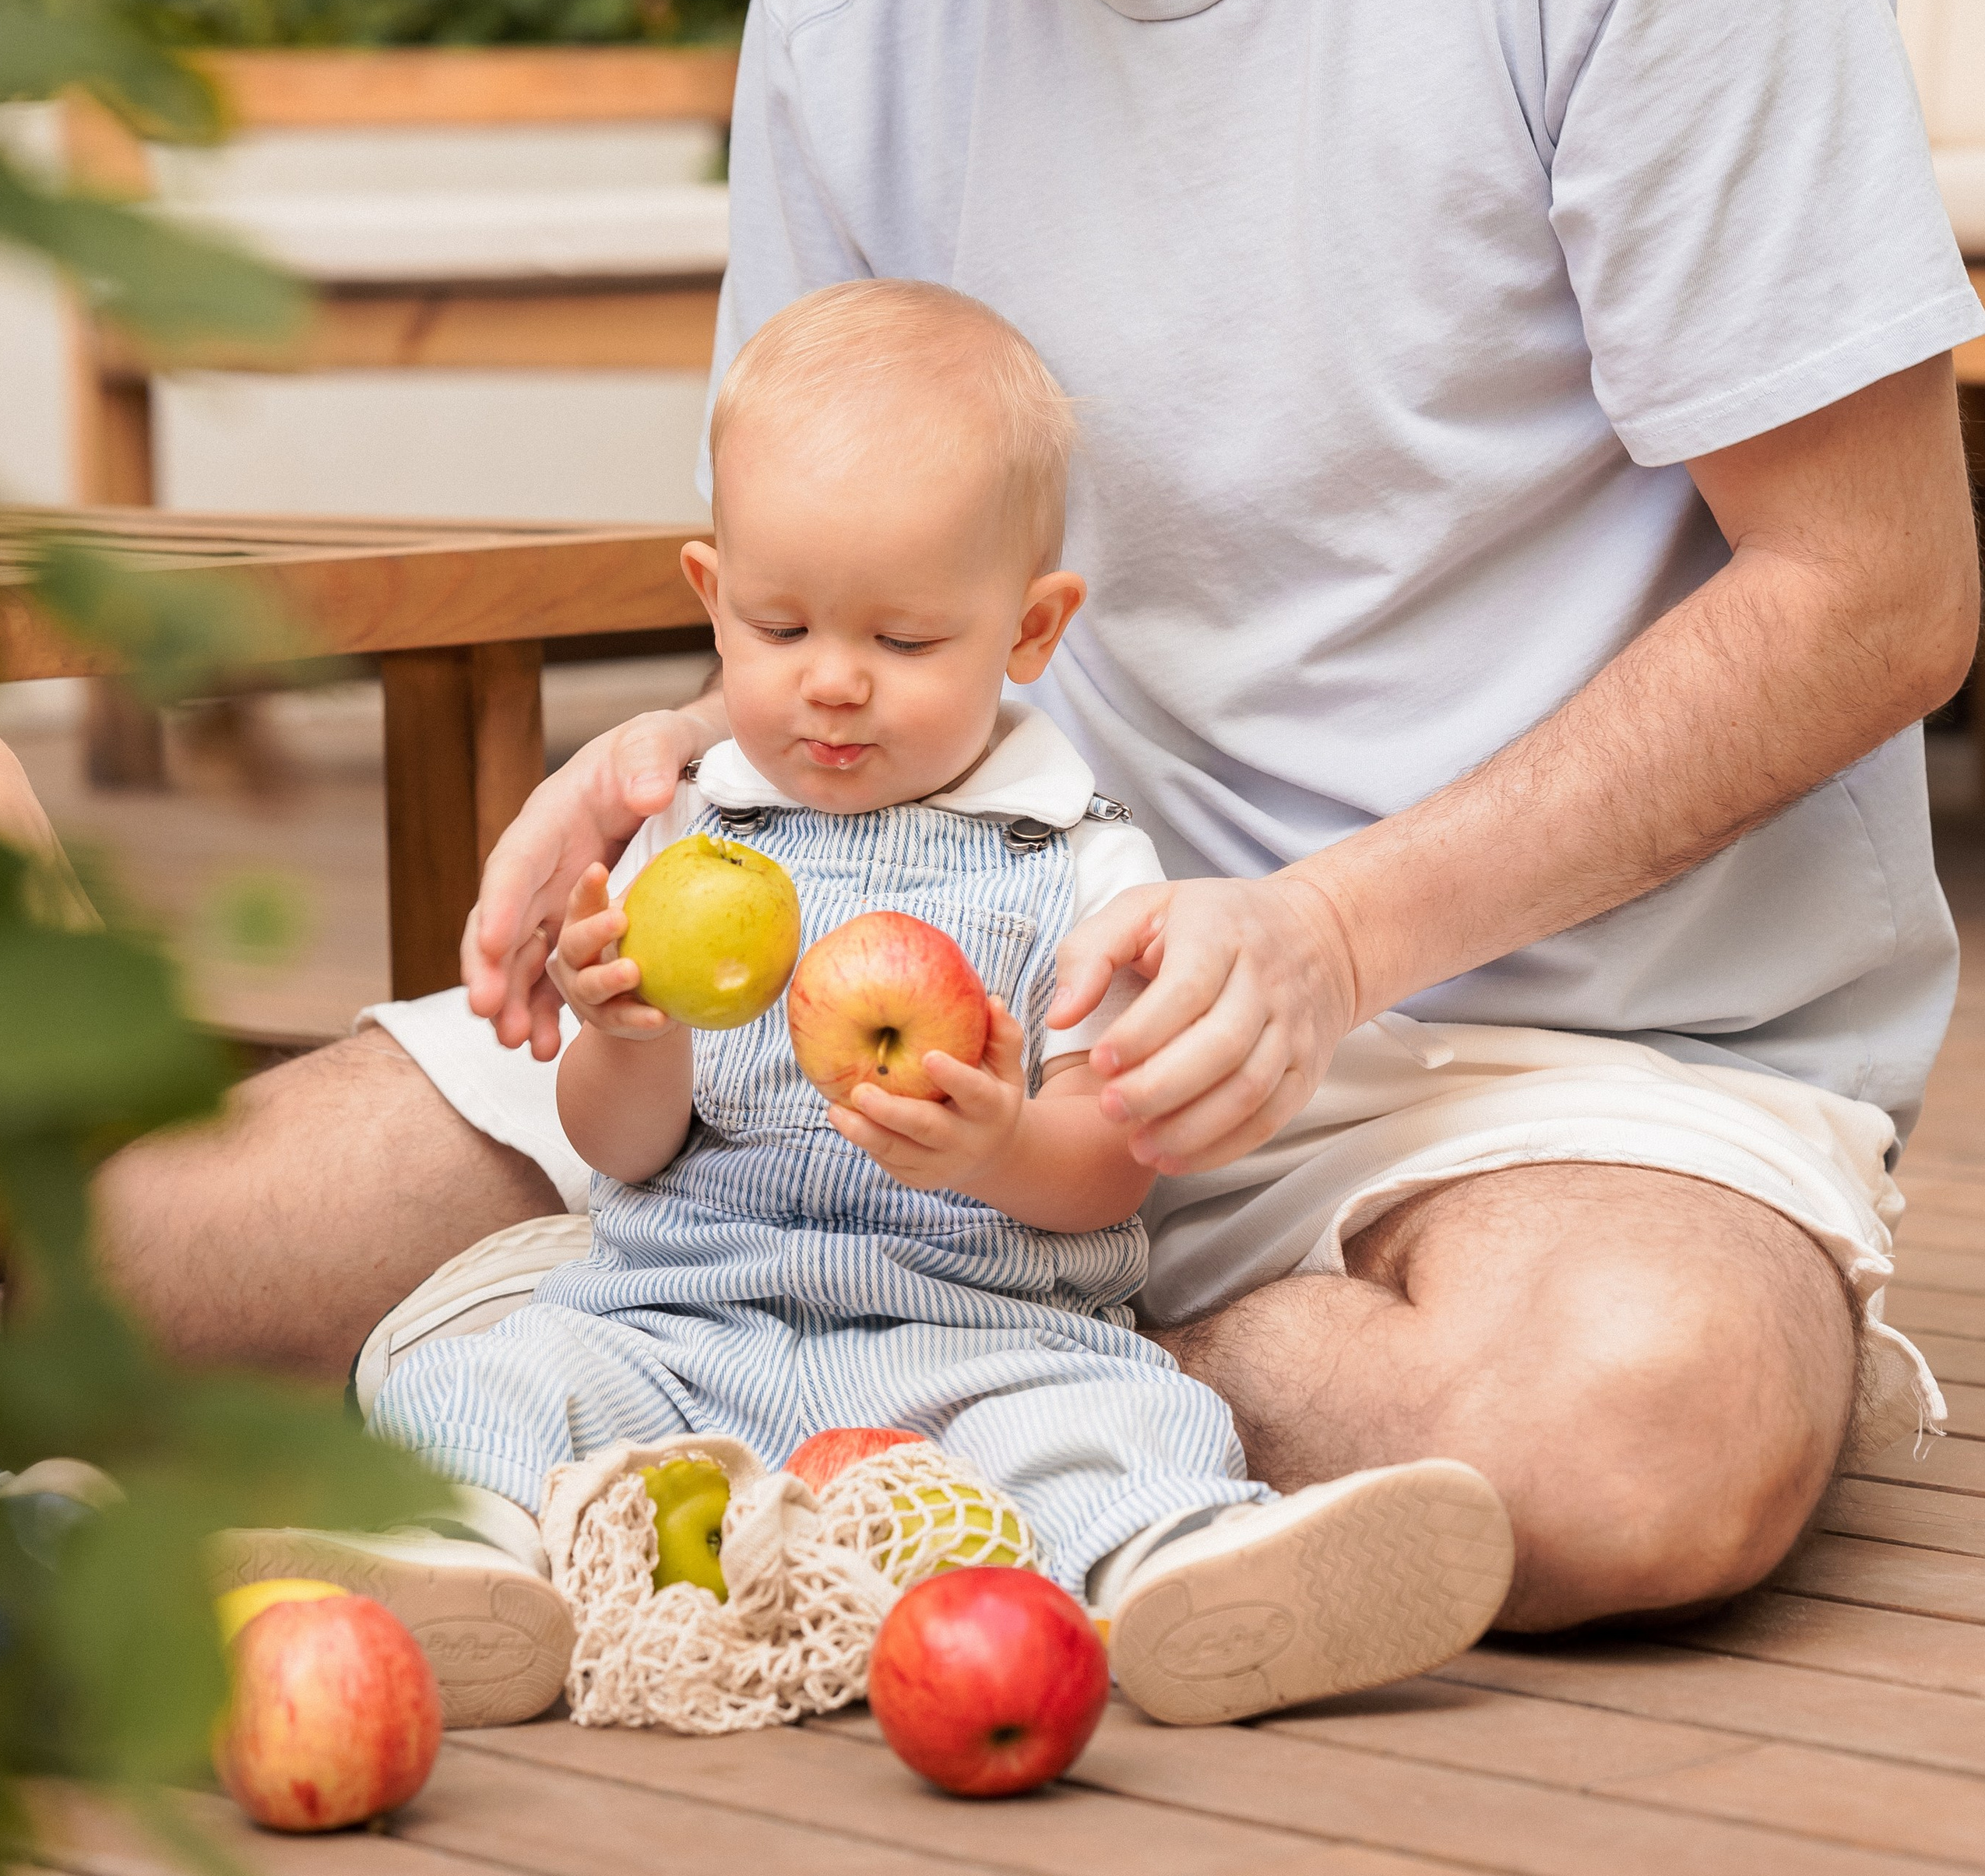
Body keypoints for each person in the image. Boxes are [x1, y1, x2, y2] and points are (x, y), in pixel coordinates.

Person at [94, 0, 1980, 1646]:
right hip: (925, 1002)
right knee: (124, 1262)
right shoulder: (853, 24)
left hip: (1532, 1054)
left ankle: (730, 1403)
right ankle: (972, 1421)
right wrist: (675, 755)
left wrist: (1324, 935)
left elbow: (1879, 596)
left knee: (1631, 1440)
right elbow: (848, 595)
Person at [273, 282, 1511, 1726]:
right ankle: (459, 1563)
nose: (835, 684)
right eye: (779, 626)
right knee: (494, 1381)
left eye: (908, 643)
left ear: (1032, 630)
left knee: (1121, 1423)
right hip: (681, 1323)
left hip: (973, 1343)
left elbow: (1112, 1165)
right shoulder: (689, 835)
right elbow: (618, 1152)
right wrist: (633, 1034)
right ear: (707, 597)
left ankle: (1191, 1569)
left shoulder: (1081, 861)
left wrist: (996, 1146)